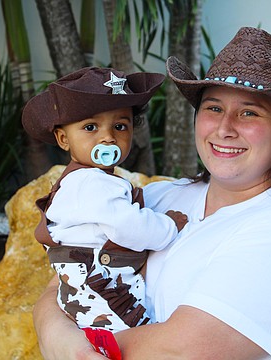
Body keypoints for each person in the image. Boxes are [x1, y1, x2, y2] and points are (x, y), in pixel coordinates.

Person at [33, 27, 271, 359]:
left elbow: (181, 352)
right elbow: (62, 284)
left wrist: (78, 347)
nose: (225, 128)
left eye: (249, 112)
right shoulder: (160, 197)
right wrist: (60, 339)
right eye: (213, 108)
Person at [22, 67, 188, 350]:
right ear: (63, 139)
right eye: (90, 127)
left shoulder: (78, 181)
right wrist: (168, 226)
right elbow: (129, 227)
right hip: (104, 292)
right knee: (134, 342)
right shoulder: (93, 183)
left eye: (120, 126)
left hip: (85, 289)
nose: (108, 137)